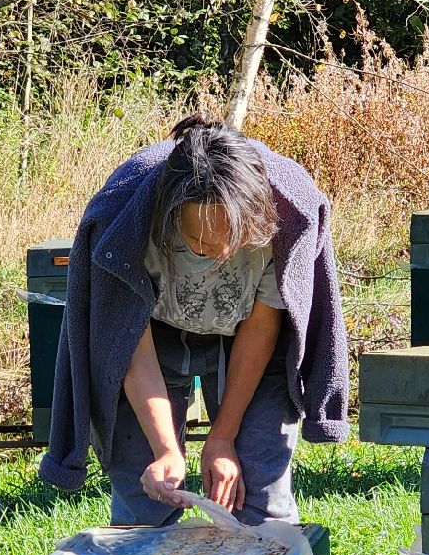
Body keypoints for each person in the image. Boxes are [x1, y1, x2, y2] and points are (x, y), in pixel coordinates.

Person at [40, 115, 349, 526]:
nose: (219, 254)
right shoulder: (122, 222)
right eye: (200, 245)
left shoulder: (289, 218)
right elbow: (130, 349)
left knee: (258, 489)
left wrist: (222, 437)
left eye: (235, 242)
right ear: (170, 215)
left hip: (247, 337)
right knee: (146, 494)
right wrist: (166, 451)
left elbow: (261, 329)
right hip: (155, 337)